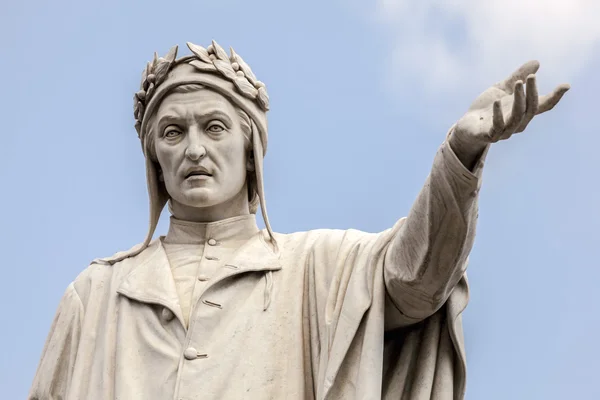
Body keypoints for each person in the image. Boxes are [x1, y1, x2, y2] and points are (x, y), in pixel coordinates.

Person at [28, 41, 569, 400]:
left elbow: (417, 281)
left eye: (214, 127)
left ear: (249, 151)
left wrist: (458, 155)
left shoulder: (321, 265)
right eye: (172, 132)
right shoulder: (96, 295)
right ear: (154, 159)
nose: (193, 149)